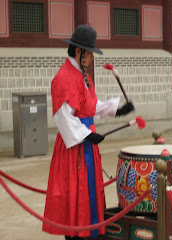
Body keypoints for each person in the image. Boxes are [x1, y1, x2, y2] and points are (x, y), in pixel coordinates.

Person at [42, 25, 134, 240]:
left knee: (88, 190)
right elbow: (63, 116)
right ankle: (75, 235)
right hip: (74, 145)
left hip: (85, 140)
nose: (92, 57)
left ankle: (90, 231)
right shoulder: (64, 77)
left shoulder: (82, 75)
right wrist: (86, 134)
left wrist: (117, 110)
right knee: (76, 192)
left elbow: (90, 106)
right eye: (90, 52)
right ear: (78, 52)